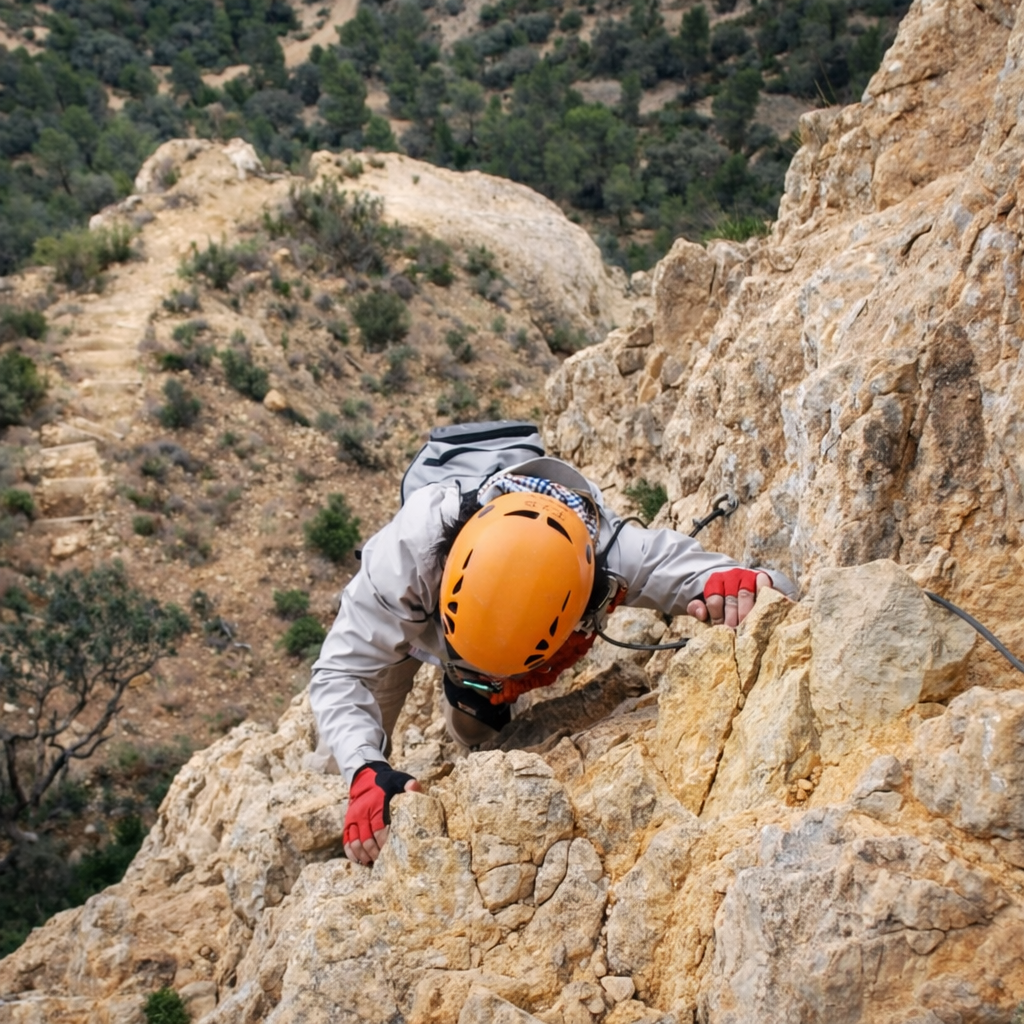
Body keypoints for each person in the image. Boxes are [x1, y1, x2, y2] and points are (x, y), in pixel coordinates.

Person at [309, 453, 796, 866]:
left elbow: (764, 586)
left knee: (475, 728)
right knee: (347, 753)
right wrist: (366, 772)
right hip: (415, 614)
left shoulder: (612, 556)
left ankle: (473, 692)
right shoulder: (407, 554)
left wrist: (742, 587)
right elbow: (340, 673)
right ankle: (357, 796)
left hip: (483, 656)